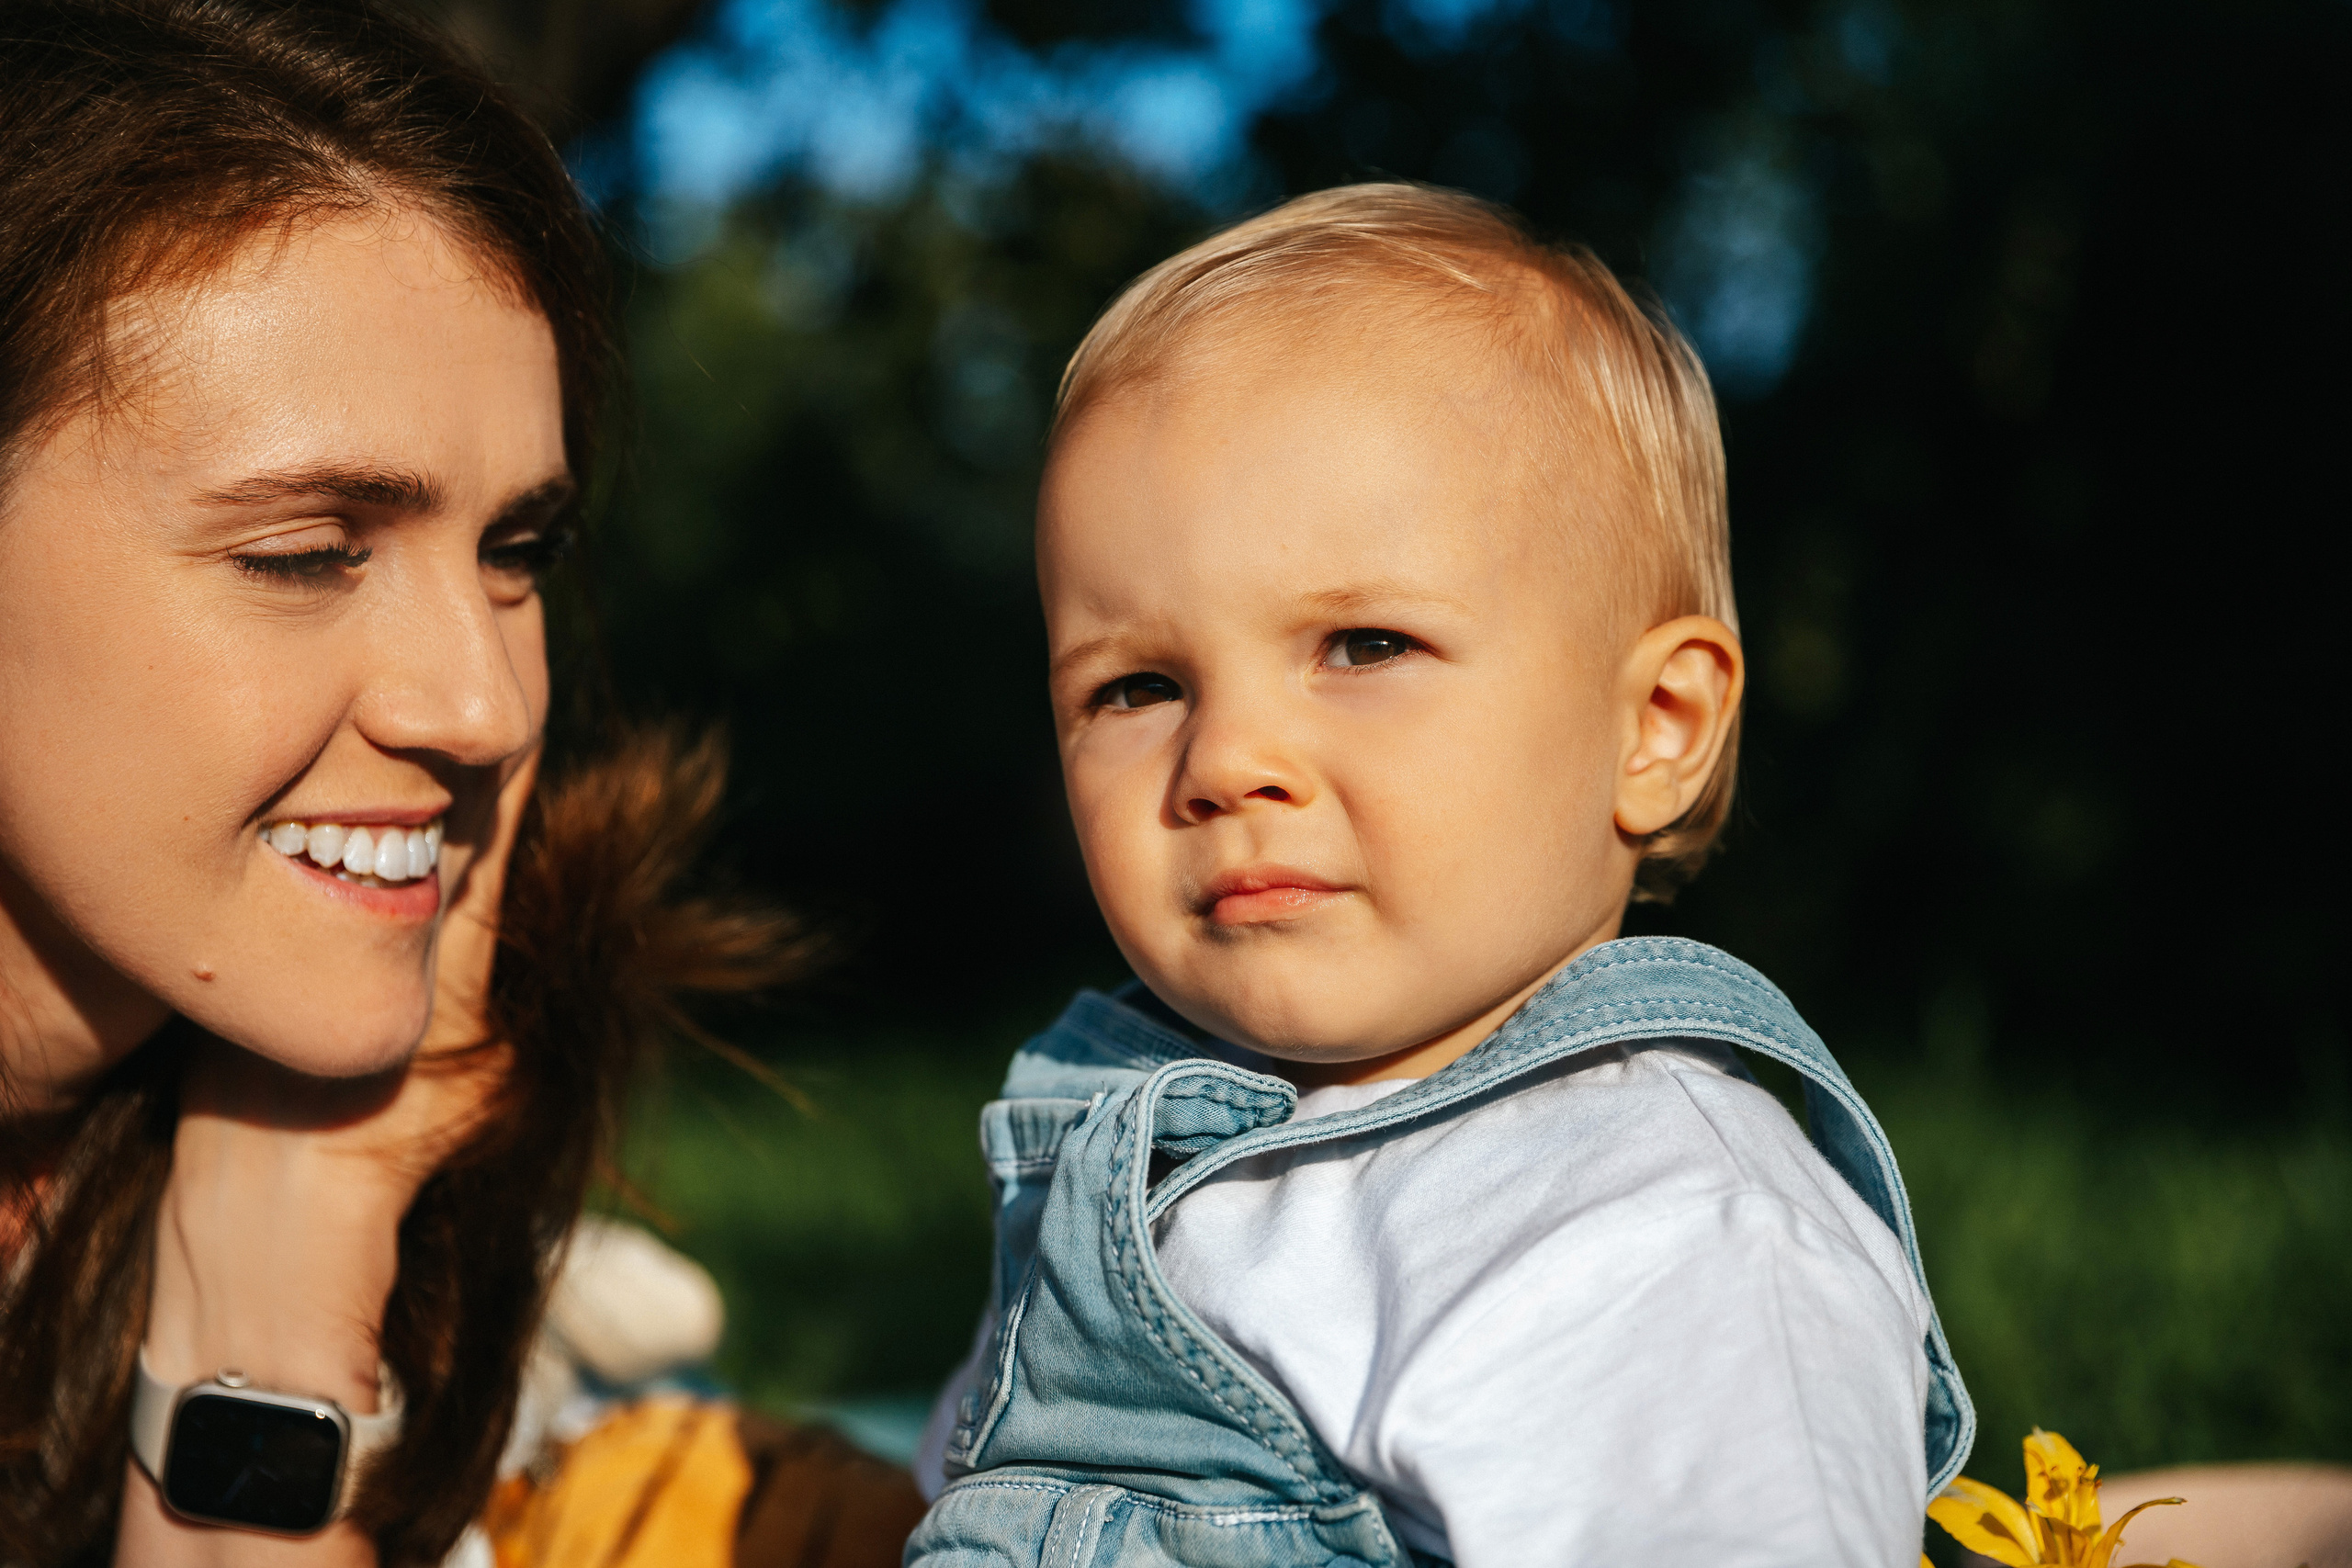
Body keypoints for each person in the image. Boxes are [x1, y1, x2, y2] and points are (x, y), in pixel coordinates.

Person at [909, 184, 1974, 1565]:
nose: (1227, 759)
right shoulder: (1117, 1142)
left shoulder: (1658, 1233)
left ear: (1654, 728)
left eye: (1363, 647)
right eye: (1140, 686)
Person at [0, 3, 811, 1562]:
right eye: (307, 553)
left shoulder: (522, 1316)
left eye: (518, 552)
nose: (488, 705)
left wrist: (283, 1272)